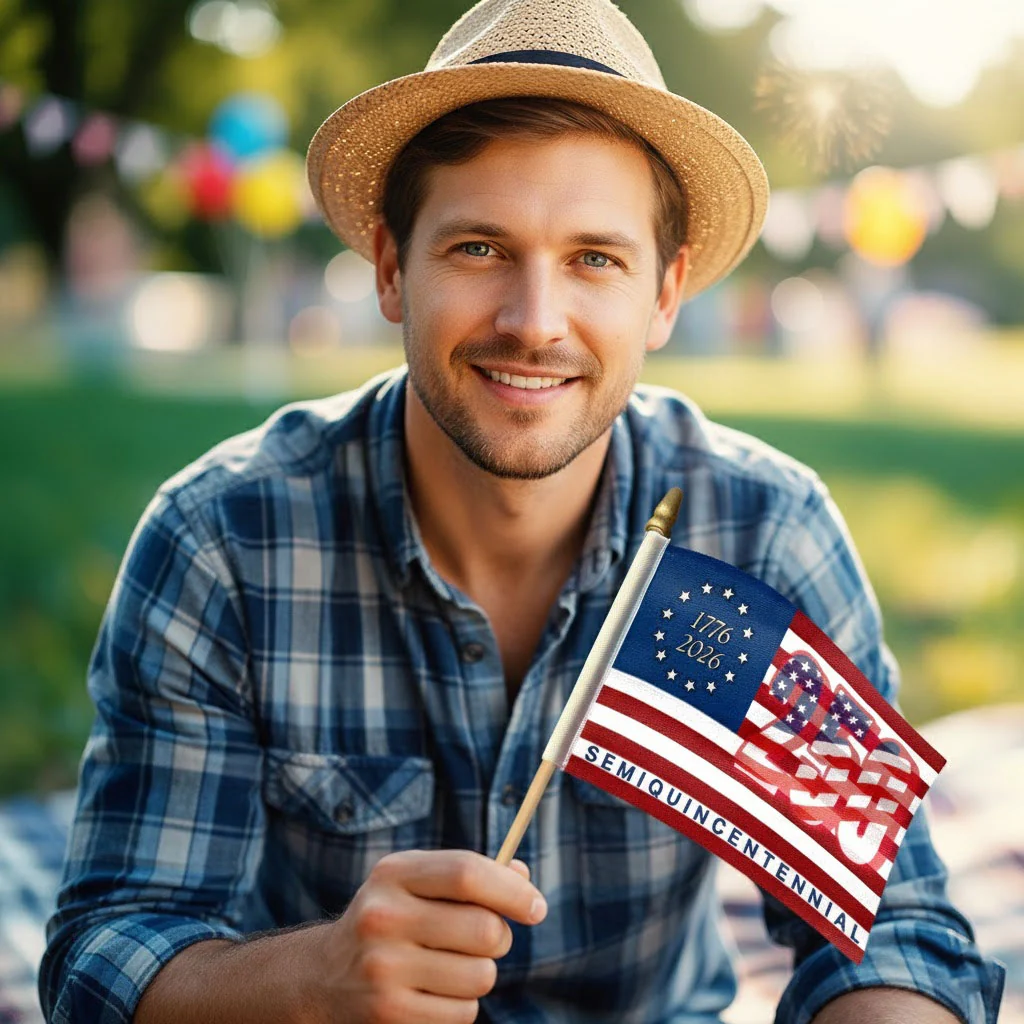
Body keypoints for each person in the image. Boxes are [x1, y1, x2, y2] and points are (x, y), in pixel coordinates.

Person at [40, 0, 1004, 1021]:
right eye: (478, 249)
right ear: (388, 269)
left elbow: (889, 929)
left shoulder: (761, 535)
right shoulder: (223, 540)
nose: (534, 322)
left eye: (595, 258)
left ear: (665, 294)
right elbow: (107, 956)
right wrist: (316, 976)